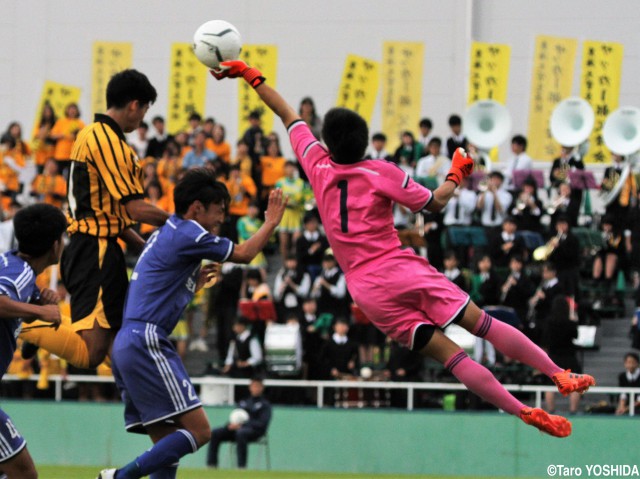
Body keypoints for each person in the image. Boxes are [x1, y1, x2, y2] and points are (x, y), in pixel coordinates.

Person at [212, 60, 596, 436]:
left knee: (452, 356)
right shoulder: (380, 171)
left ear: (326, 141)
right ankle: (558, 373)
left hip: (365, 290)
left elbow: (286, 112)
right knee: (483, 324)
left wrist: (248, 74)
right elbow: (436, 202)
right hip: (398, 267)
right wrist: (456, 172)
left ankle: (522, 410)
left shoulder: (315, 163)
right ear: (365, 141)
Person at [96, 168, 286, 479]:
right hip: (146, 340)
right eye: (218, 211)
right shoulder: (189, 232)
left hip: (127, 342)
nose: (220, 219)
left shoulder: (165, 232)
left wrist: (190, 280)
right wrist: (271, 222)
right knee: (200, 432)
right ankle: (119, 477)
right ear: (196, 207)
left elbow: (159, 275)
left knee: (167, 448)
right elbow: (244, 253)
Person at [20, 69, 170, 372]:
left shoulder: (93, 135)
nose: (141, 120)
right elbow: (136, 208)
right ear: (133, 105)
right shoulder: (106, 139)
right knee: (92, 352)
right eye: (143, 111)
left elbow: (114, 214)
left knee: (121, 346)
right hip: (95, 252)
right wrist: (186, 228)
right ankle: (31, 327)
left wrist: (144, 247)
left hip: (96, 247)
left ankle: (148, 408)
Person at [0, 204, 66, 479]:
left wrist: (37, 297)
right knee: (24, 474)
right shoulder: (20, 273)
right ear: (55, 245)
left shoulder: (10, 263)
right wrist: (42, 311)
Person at [207, 377, 272, 469]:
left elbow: (262, 423)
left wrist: (243, 425)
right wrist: (230, 425)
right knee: (215, 433)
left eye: (258, 386)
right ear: (250, 387)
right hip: (237, 429)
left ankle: (241, 467)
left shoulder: (265, 405)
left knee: (241, 433)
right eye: (253, 386)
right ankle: (211, 465)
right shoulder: (244, 402)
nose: (255, 388)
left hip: (254, 432)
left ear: (262, 388)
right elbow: (235, 416)